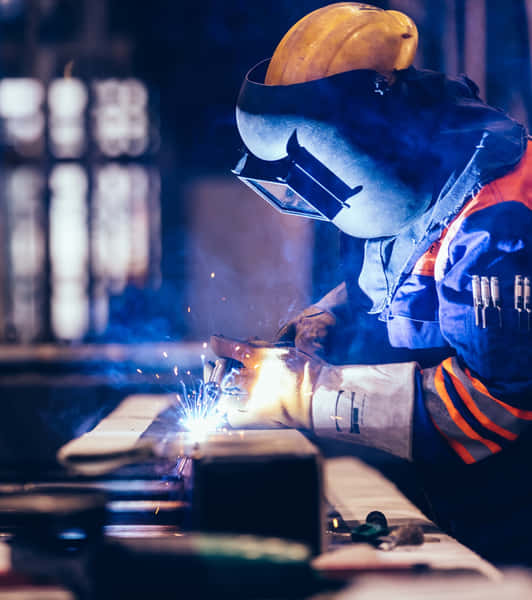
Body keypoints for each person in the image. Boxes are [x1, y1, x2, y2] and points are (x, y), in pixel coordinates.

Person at [211, 2, 532, 563]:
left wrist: (301, 393)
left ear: (354, 148)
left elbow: (493, 410)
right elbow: (383, 291)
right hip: (463, 505)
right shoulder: (413, 181)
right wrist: (320, 326)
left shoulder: (495, 222)